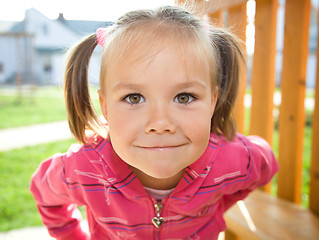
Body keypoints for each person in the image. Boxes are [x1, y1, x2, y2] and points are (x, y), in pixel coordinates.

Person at [30, 5, 278, 240]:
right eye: (134, 98)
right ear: (105, 107)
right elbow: (44, 193)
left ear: (212, 102)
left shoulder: (232, 160)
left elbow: (266, 163)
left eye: (184, 97)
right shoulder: (83, 168)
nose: (160, 124)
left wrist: (217, 204)